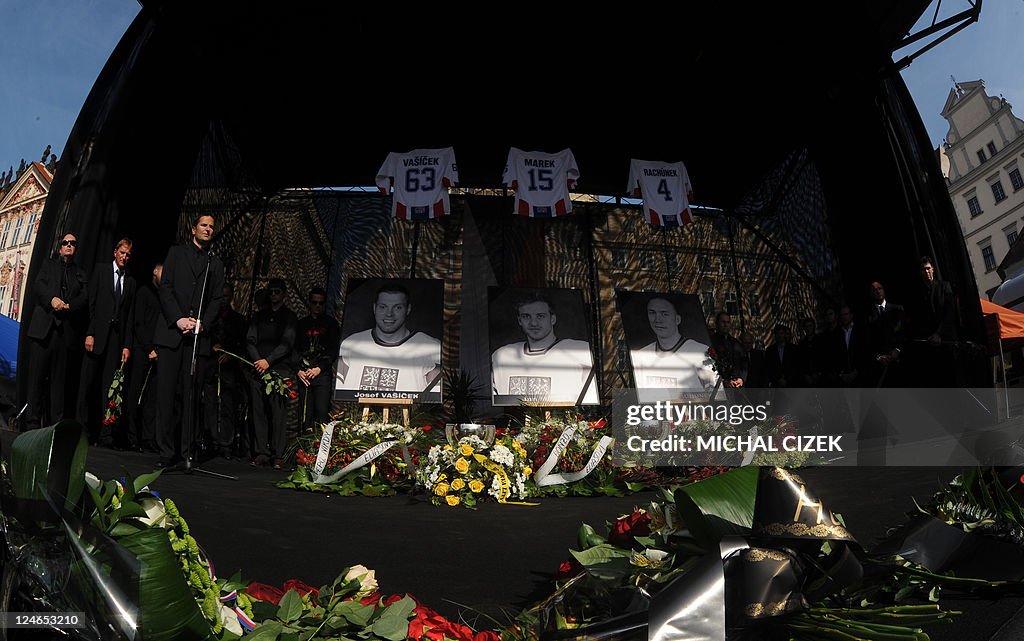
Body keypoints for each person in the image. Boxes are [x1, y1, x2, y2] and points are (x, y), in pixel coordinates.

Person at [153, 214, 225, 469]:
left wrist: (203, 322)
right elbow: (166, 288)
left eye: (211, 227)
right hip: (172, 333)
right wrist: (178, 319)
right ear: (194, 228)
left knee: (190, 397)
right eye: (204, 225)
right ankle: (165, 451)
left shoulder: (214, 263)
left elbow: (217, 299)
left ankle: (187, 452)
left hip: (197, 339)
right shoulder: (175, 253)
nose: (207, 229)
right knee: (165, 395)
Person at [24, 232, 88, 430]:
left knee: (58, 384)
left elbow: (85, 298)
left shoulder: (80, 273)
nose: (69, 246)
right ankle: (31, 425)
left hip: (65, 334)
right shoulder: (47, 265)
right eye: (66, 243)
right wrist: (52, 299)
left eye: (73, 243)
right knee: (36, 380)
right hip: (43, 330)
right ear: (60, 247)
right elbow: (38, 286)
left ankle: (54, 428)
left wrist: (70, 306)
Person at [77, 238, 136, 447]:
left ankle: (106, 434)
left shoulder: (130, 281)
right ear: (115, 252)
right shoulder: (101, 271)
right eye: (122, 253)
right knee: (87, 384)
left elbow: (129, 316)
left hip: (116, 341)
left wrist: (127, 345)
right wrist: (90, 332)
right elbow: (91, 303)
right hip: (97, 336)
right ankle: (82, 431)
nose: (124, 257)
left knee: (109, 388)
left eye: (128, 255)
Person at [491, 292, 598, 404]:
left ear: (552, 319)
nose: (533, 323)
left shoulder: (581, 351)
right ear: (519, 321)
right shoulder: (501, 356)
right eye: (526, 316)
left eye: (540, 316)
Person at [336, 284, 441, 393]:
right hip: (357, 409)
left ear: (408, 309)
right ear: (374, 308)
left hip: (409, 410)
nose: (389, 314)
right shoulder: (351, 344)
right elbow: (340, 389)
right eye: (383, 307)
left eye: (398, 307)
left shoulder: (431, 347)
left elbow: (433, 397)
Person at [246, 278, 297, 469]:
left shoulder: (289, 316)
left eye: (277, 292)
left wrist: (269, 360)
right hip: (258, 368)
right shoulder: (259, 316)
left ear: (283, 294)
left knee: (278, 413)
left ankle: (278, 454)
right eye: (271, 292)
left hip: (279, 370)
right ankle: (261, 452)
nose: (274, 295)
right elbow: (250, 340)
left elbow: (287, 343)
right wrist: (259, 360)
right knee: (258, 411)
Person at [630, 297, 715, 397]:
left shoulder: (701, 352)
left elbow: (716, 395)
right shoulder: (641, 356)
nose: (658, 320)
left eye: (664, 314)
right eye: (652, 313)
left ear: (677, 319)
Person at [204, 282, 248, 459]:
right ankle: (211, 440)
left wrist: (230, 353)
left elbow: (241, 343)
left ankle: (226, 443)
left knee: (228, 406)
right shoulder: (210, 318)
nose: (224, 299)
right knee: (210, 405)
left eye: (227, 296)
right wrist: (211, 348)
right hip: (211, 367)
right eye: (221, 296)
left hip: (229, 369)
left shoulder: (238, 320)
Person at [126, 263, 162, 452]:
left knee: (152, 398)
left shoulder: (164, 296)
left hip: (157, 353)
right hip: (142, 350)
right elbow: (138, 323)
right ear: (155, 272)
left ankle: (148, 438)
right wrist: (148, 348)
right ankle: (131, 436)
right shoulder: (144, 292)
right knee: (135, 393)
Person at [296, 286, 340, 431]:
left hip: (322, 373)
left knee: (322, 413)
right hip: (304, 374)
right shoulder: (301, 324)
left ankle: (320, 448)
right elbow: (293, 348)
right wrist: (298, 370)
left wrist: (319, 368)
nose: (317, 306)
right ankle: (304, 448)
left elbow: (334, 350)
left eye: (321, 303)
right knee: (304, 414)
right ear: (310, 303)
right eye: (314, 302)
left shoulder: (331, 324)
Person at [866, 280, 905, 387]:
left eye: (880, 288)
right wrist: (878, 356)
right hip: (880, 366)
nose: (878, 291)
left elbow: (904, 333)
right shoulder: (867, 315)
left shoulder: (898, 309)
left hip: (899, 361)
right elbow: (867, 340)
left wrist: (897, 350)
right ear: (871, 294)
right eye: (874, 290)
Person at [708, 311, 746, 388]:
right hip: (719, 386)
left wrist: (741, 378)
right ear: (717, 323)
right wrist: (722, 381)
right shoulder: (711, 341)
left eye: (728, 322)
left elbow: (744, 362)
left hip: (737, 386)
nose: (725, 325)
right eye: (723, 322)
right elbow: (709, 365)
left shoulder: (735, 343)